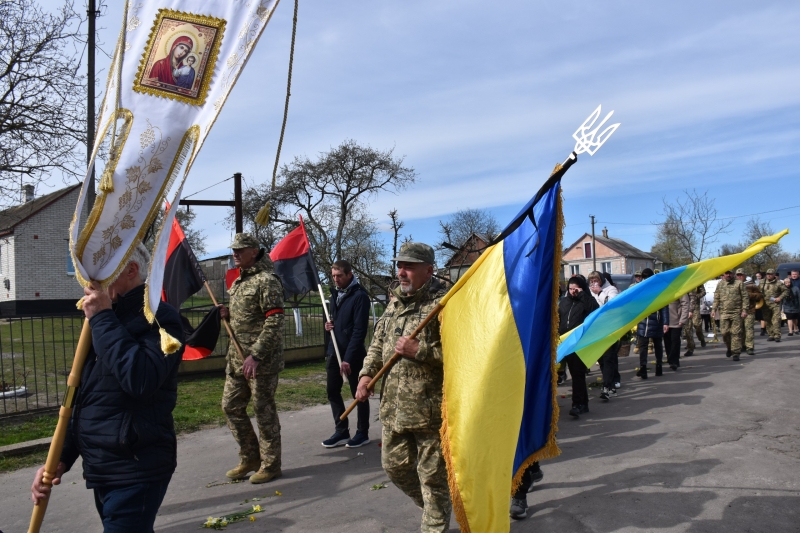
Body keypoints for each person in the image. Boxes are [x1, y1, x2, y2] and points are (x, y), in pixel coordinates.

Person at [31, 243, 185, 532]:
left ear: (130, 270)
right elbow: (91, 400)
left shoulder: (160, 318)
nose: (92, 283)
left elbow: (140, 380)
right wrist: (61, 458)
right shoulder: (106, 320)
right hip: (104, 466)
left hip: (136, 466)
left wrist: (102, 317)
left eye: (102, 273)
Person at [355, 242, 451, 533]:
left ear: (429, 270)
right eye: (399, 266)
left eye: (408, 266)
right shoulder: (394, 302)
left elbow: (463, 357)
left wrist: (419, 350)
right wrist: (365, 375)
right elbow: (377, 345)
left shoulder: (444, 304)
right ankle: (438, 508)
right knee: (395, 468)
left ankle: (434, 522)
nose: (401, 272)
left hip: (428, 411)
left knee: (433, 478)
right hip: (393, 408)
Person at [218, 233, 285, 484]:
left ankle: (271, 464)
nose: (235, 253)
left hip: (260, 362)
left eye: (241, 249)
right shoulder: (239, 282)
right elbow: (246, 316)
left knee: (263, 411)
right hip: (236, 360)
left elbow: (275, 320)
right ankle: (250, 457)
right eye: (234, 250)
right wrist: (228, 313)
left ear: (255, 251)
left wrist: (256, 355)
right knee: (230, 407)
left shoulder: (267, 281)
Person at [322, 259, 371, 448]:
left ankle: (362, 432)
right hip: (335, 351)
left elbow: (359, 331)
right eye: (333, 276)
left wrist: (348, 358)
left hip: (353, 354)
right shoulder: (336, 295)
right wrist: (329, 326)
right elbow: (336, 321)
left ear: (349, 274)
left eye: (339, 276)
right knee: (332, 391)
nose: (336, 279)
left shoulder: (360, 296)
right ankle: (341, 431)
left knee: (359, 393)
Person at [558, 276, 599, 417]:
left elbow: (595, 310)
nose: (573, 291)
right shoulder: (564, 302)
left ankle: (577, 404)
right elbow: (559, 319)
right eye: (570, 289)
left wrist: (582, 294)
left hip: (580, 343)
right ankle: (584, 403)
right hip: (565, 343)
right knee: (574, 374)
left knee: (577, 374)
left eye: (576, 289)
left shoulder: (587, 300)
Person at [587, 271, 619, 400]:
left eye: (596, 279)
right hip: (595, 330)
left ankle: (606, 387)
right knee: (601, 360)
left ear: (601, 280)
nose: (594, 282)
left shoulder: (610, 289)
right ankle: (610, 384)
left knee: (608, 358)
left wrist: (599, 293)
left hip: (609, 328)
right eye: (591, 280)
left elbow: (612, 304)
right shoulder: (588, 291)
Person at [636, 268, 669, 378]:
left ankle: (655, 367)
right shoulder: (642, 288)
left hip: (654, 321)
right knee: (645, 346)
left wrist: (665, 322)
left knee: (655, 345)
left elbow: (664, 307)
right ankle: (645, 369)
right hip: (644, 321)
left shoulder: (657, 289)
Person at [713, 269, 748, 360]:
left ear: (733, 274)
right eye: (726, 273)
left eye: (730, 273)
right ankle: (729, 347)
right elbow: (716, 297)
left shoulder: (739, 283)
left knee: (736, 333)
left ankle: (736, 352)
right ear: (723, 274)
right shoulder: (720, 284)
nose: (728, 275)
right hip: (724, 312)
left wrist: (744, 310)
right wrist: (714, 309)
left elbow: (745, 297)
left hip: (736, 312)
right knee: (724, 333)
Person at [760, 268, 787, 342]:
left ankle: (777, 335)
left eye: (771, 274)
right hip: (765, 304)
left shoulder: (778, 283)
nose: (769, 276)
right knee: (767, 320)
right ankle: (771, 335)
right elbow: (758, 291)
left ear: (774, 275)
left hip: (775, 304)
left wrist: (780, 297)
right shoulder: (762, 282)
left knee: (776, 320)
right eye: (768, 274)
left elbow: (786, 290)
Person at [666, 293, 690, 370]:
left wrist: (683, 319)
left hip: (676, 321)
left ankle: (674, 361)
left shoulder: (679, 289)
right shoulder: (663, 288)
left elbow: (685, 304)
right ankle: (670, 360)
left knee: (675, 341)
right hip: (665, 322)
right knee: (667, 342)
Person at [742, 277, 763, 355]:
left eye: (741, 275)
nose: (740, 277)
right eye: (738, 275)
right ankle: (742, 345)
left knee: (749, 329)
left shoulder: (751, 286)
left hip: (749, 310)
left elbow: (759, 295)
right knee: (739, 330)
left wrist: (749, 295)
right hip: (737, 311)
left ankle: (749, 347)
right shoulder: (735, 285)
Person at [684, 285, 707, 356]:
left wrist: (696, 296)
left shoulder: (697, 281)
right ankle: (690, 347)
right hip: (685, 306)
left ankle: (701, 338)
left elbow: (703, 292)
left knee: (697, 325)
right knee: (688, 328)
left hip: (695, 307)